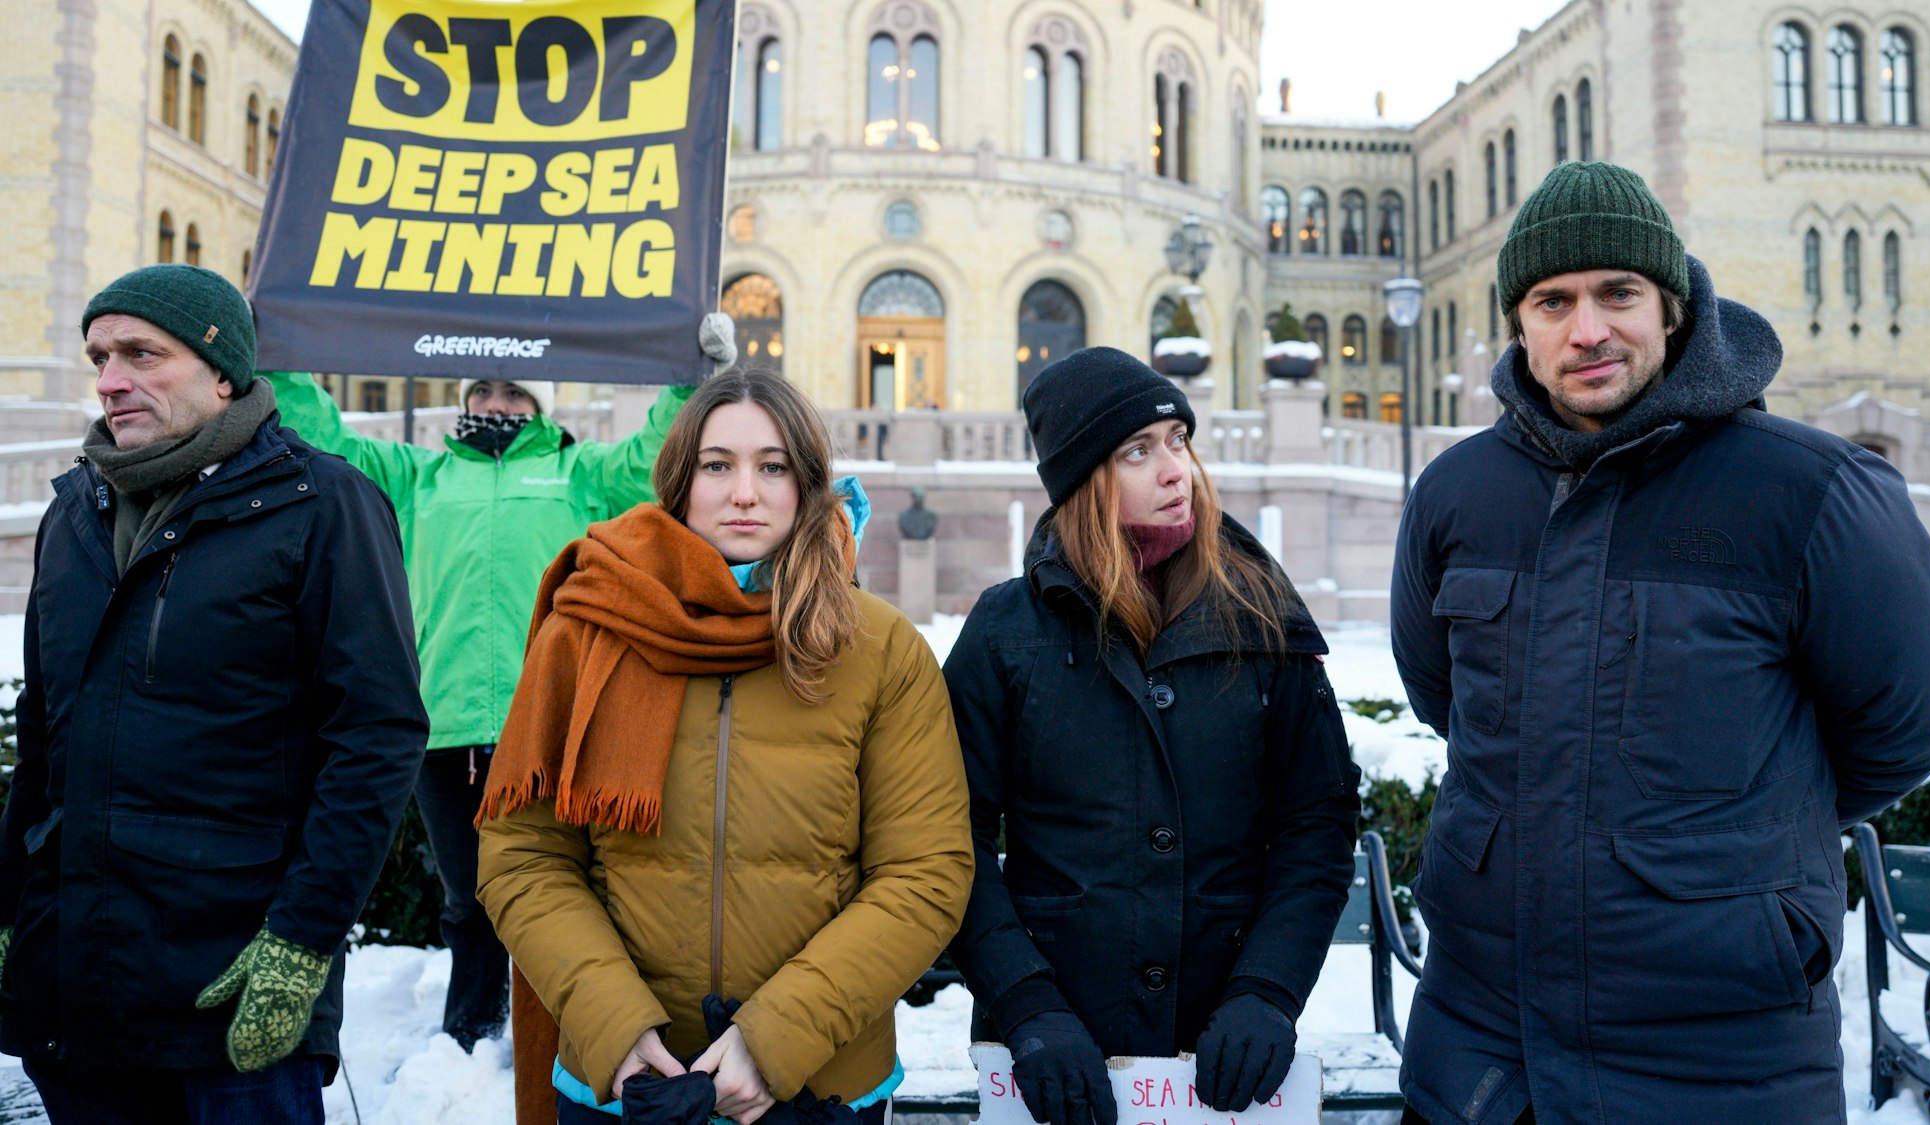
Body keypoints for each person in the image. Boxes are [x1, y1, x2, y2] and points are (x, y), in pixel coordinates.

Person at [1389, 161, 1930, 1124]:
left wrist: (1730, 853)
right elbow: (1442, 695)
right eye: (1553, 301)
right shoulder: (1454, 494)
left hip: (1724, 1055)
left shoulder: (1814, 493)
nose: (1587, 329)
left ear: (1674, 307)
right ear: (1520, 324)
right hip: (1484, 1046)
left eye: (1619, 293)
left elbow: (1903, 729)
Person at [476, 368, 973, 1125]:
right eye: (717, 465)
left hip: (817, 1088)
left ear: (807, 483)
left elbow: (924, 872)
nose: (745, 493)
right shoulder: (588, 628)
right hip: (625, 1088)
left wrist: (777, 1039)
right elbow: (524, 854)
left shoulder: (878, 647)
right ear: (680, 482)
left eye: (773, 467)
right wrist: (615, 1025)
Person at [0, 265, 427, 1123]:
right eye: (99, 357)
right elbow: (44, 737)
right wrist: (12, 905)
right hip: (77, 992)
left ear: (222, 370)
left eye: (141, 354)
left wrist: (302, 940)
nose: (111, 380)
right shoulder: (73, 514)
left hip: (234, 993)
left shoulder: (323, 505)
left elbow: (376, 737)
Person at [263, 314, 733, 1052]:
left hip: (550, 721)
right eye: (483, 390)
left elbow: (654, 456)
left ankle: (565, 1034)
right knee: (468, 894)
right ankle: (472, 1037)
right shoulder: (418, 478)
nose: (495, 403)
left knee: (562, 892)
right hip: (444, 723)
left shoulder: (580, 474)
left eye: (513, 392)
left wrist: (690, 376)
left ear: (538, 405)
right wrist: (279, 356)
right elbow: (328, 440)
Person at [944, 347, 1360, 1125]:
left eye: (1178, 440)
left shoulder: (1262, 614)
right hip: (1055, 1060)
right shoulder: (1006, 630)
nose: (1177, 471)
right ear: (1082, 478)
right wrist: (1026, 1002)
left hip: (1222, 1064)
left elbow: (1318, 822)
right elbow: (946, 836)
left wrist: (1267, 991)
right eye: (1138, 450)